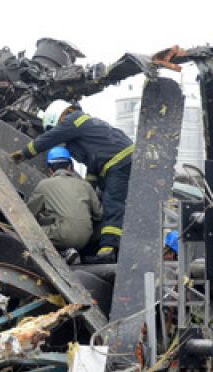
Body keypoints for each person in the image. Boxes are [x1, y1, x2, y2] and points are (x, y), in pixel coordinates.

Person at [11, 100, 133, 263]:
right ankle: (109, 247)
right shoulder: (87, 135)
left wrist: (25, 153)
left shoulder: (75, 119)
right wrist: (87, 190)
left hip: (119, 162)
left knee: (113, 204)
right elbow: (92, 167)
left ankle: (108, 249)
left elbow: (51, 138)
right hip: (116, 163)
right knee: (110, 202)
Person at [27, 147, 103, 264]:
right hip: (85, 238)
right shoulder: (85, 185)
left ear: (50, 170)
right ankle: (70, 252)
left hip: (62, 236)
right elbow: (99, 214)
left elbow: (28, 214)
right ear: (70, 167)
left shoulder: (44, 185)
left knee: (30, 232)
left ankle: (62, 253)